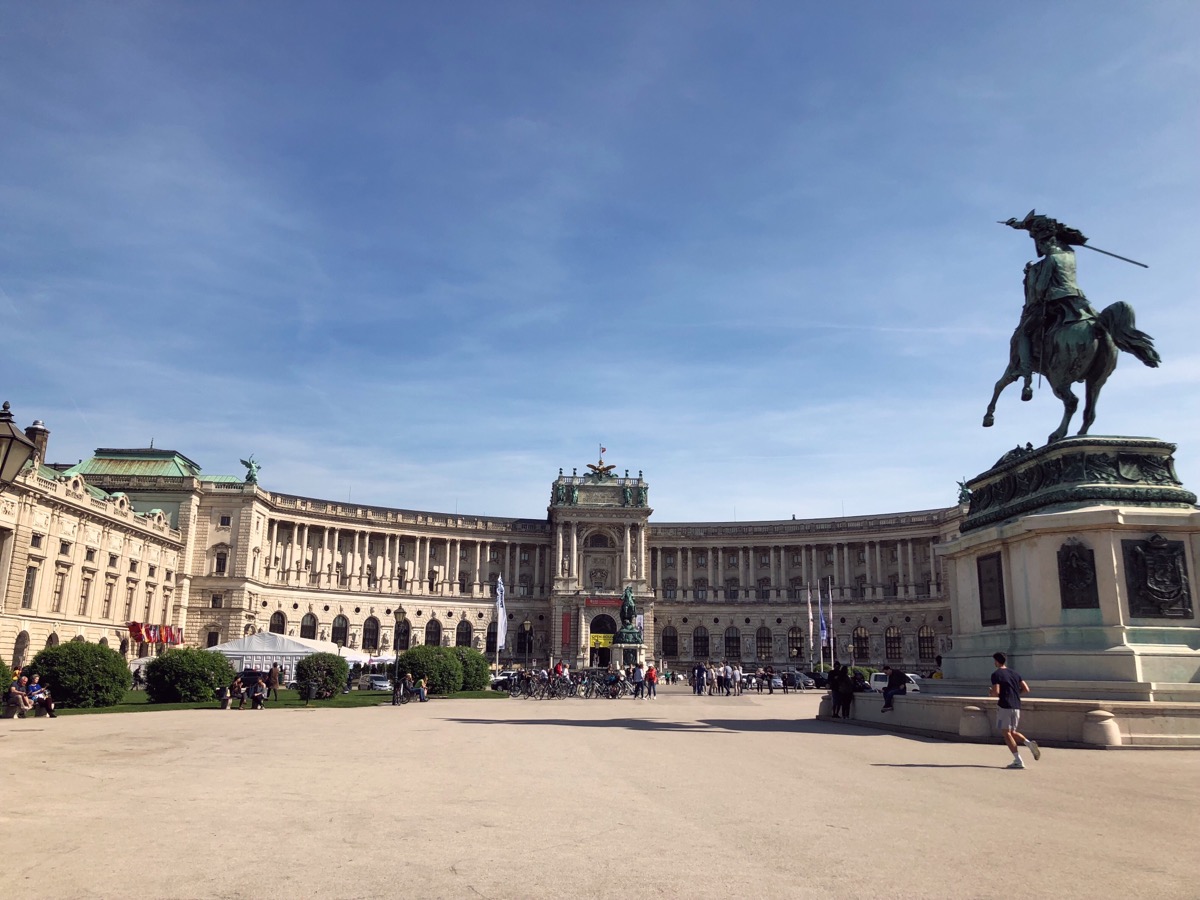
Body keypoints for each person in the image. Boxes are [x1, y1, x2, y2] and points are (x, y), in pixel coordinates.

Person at [1003, 211, 1098, 402]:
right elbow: (1035, 224)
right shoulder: (1070, 254)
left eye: (1040, 243)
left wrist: (1035, 279)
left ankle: (1026, 373)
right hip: (1079, 301)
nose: (1039, 247)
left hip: (1057, 303)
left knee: (1025, 333)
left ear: (1046, 242)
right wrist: (1020, 225)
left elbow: (1040, 288)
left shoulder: (1051, 260)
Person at [990, 652, 1040, 769]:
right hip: (1016, 705)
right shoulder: (1015, 673)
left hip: (1004, 705)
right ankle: (1029, 744)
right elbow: (1026, 689)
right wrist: (1016, 694)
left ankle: (1018, 760)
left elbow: (996, 692)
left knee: (1006, 733)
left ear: (997, 661)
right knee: (1012, 732)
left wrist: (991, 693)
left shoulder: (996, 674)